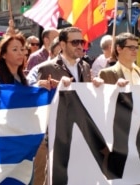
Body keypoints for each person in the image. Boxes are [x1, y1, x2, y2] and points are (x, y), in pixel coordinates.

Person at [30, 27, 91, 185]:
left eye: (82, 42)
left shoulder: (85, 67)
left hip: (81, 132)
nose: (80, 46)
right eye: (75, 42)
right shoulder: (47, 68)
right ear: (62, 45)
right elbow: (42, 104)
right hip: (58, 135)